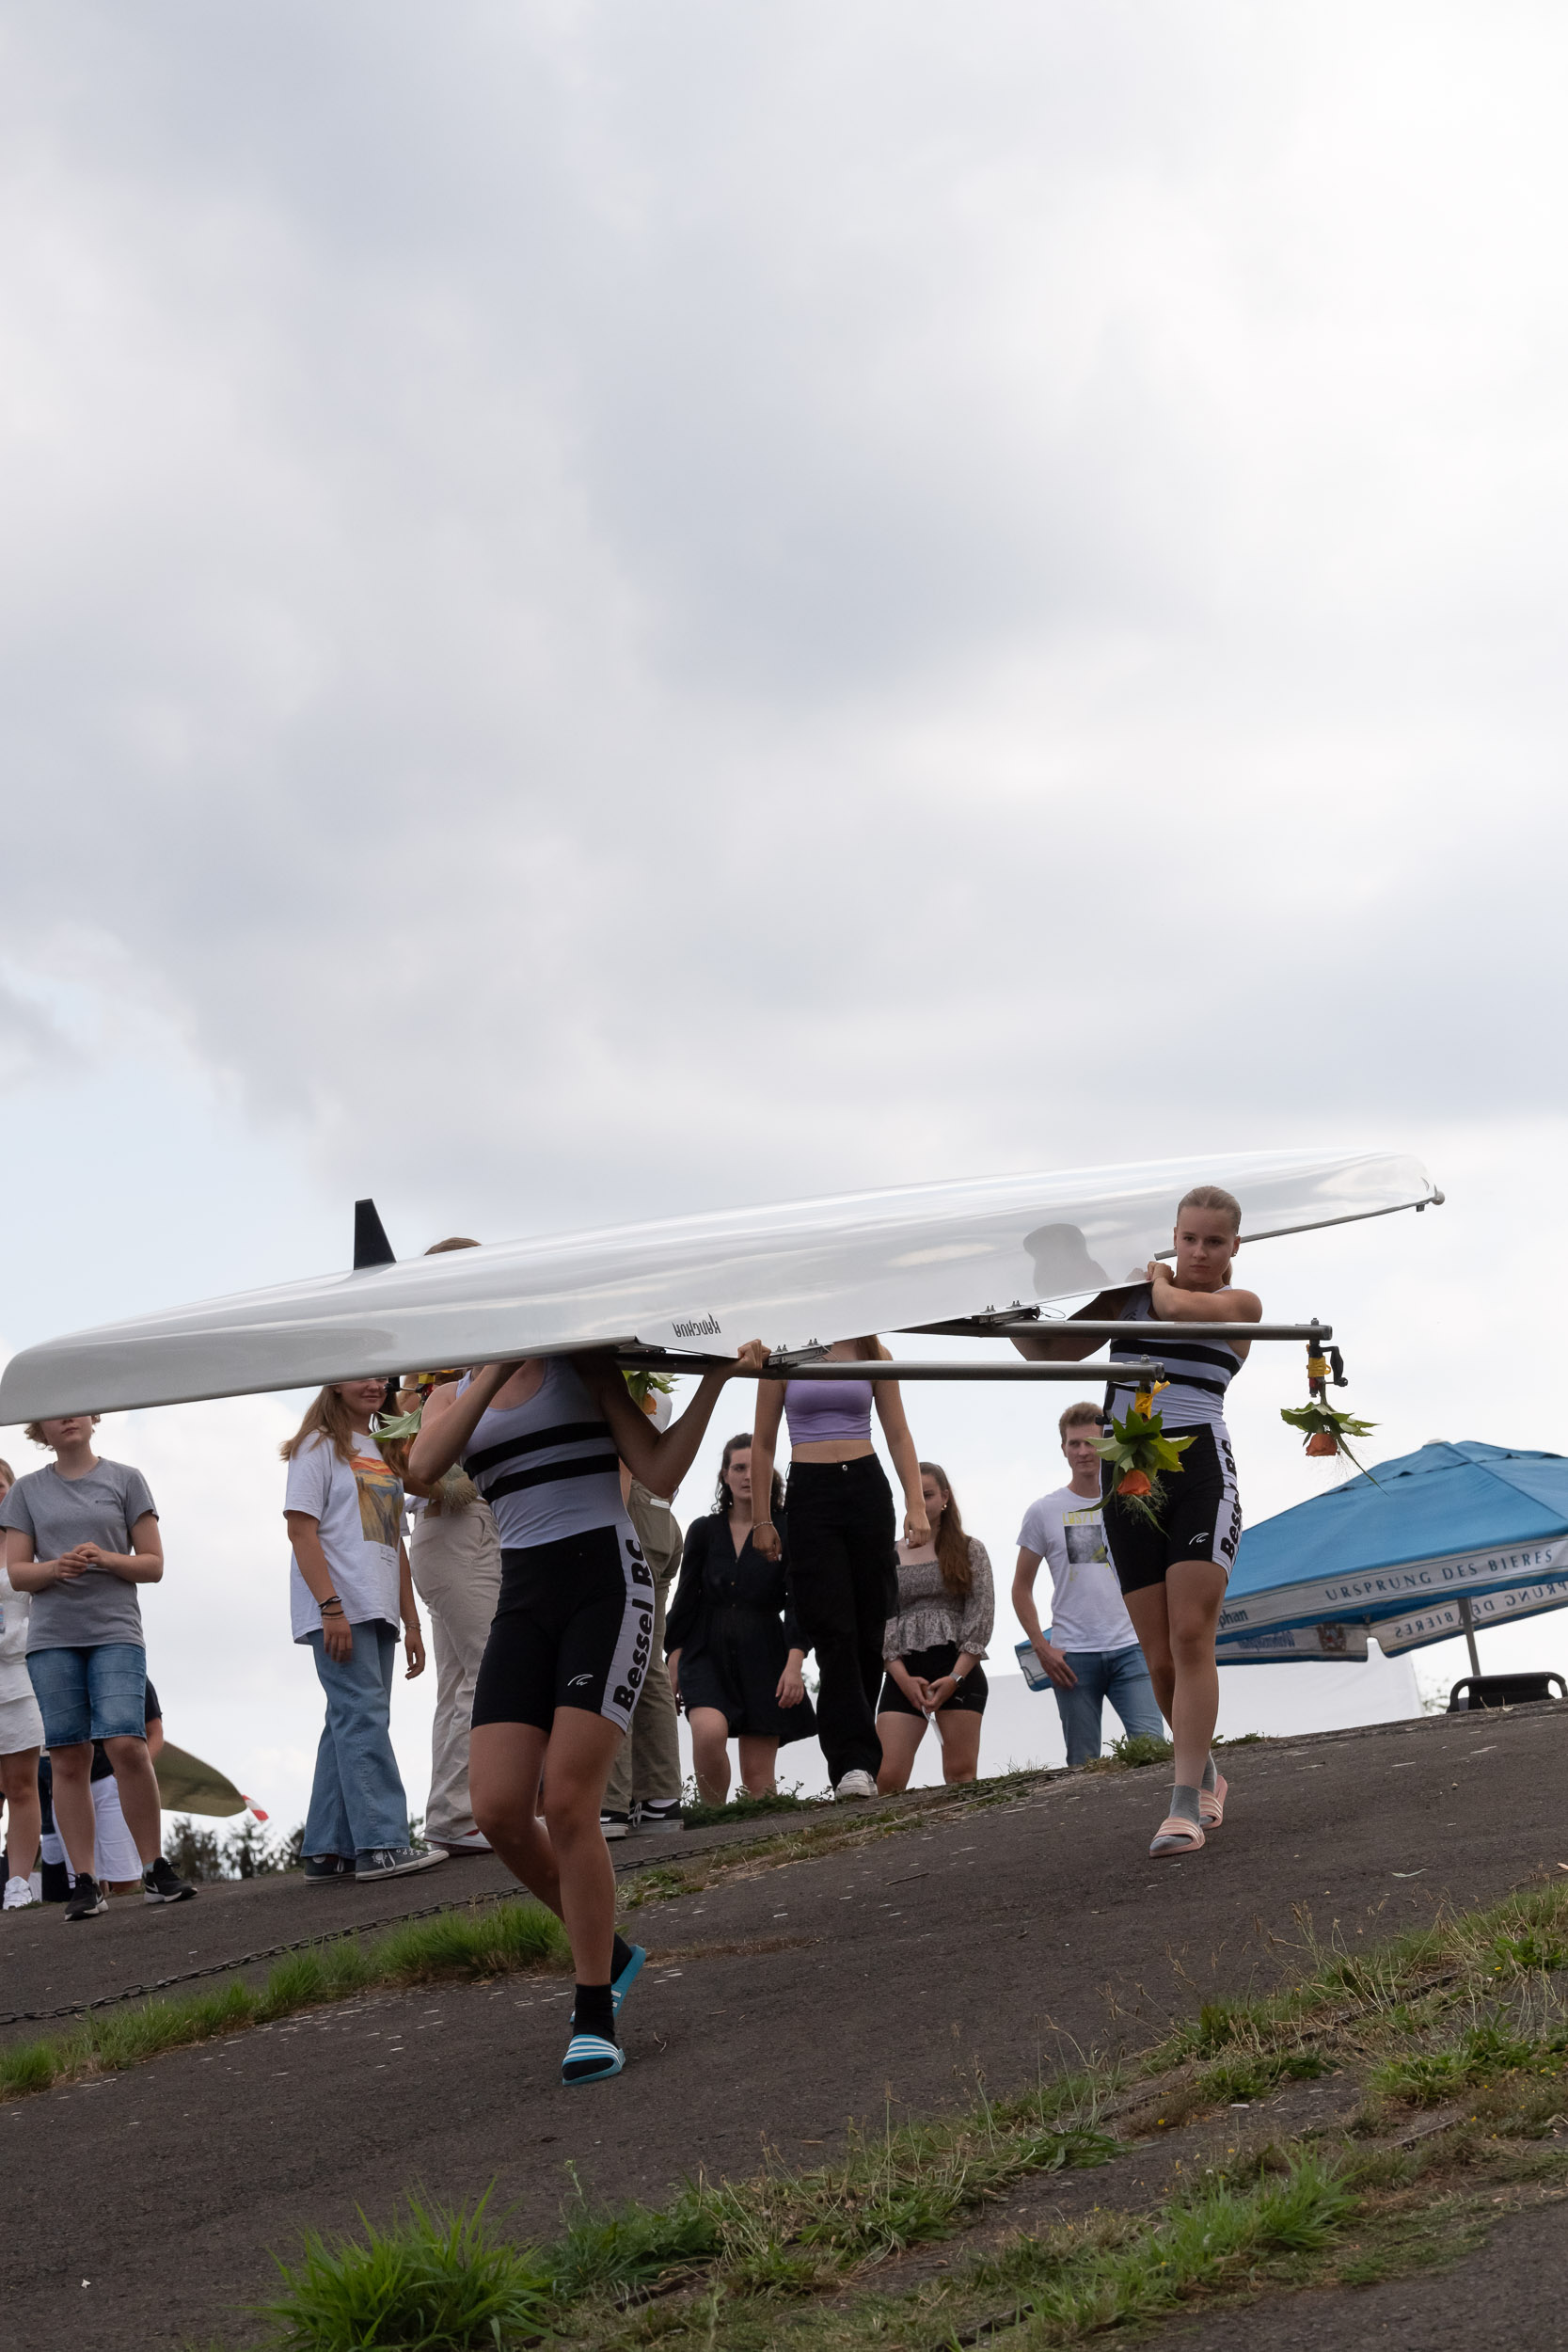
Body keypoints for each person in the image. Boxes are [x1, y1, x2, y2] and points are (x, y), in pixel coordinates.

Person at [407, 1337, 766, 2088]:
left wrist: (719, 1382)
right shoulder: (448, 1396)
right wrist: (495, 1366)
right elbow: (419, 1469)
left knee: (567, 1802)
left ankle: (593, 2006)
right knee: (498, 1809)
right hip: (524, 1597)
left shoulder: (583, 1368)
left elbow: (661, 1471)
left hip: (606, 1584)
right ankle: (613, 1949)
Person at [1012, 1184, 1259, 1856]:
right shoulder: (1129, 1298)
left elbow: (1178, 1306)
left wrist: (1149, 1276)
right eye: (1188, 1239)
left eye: (1213, 1241)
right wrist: (1007, 1295)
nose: (1199, 1251)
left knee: (1188, 1634)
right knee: (1156, 1656)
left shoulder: (1239, 1305)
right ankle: (1205, 1772)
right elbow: (1046, 1350)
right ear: (1173, 1235)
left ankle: (1182, 1804)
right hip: (1130, 1481)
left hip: (1199, 1472)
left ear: (1233, 1246)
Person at [1, 1414, 194, 1918]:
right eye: (55, 1412)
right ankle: (85, 1881)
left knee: (126, 1743)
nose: (68, 1416)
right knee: (67, 1757)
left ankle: (154, 1867)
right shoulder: (24, 1492)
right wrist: (54, 1568)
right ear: (39, 1430)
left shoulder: (126, 1478)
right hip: (51, 1640)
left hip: (115, 1632)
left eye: (79, 1407)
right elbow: (19, 1573)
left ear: (94, 1419)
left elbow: (153, 1564)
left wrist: (106, 1559)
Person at [750, 1339, 928, 1802]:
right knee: (833, 1629)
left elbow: (898, 1432)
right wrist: (763, 1518)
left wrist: (915, 1504)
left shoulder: (872, 1350)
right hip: (810, 1491)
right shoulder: (781, 1352)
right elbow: (763, 1440)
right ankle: (850, 1763)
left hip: (866, 1486)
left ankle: (862, 1760)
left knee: (871, 1630)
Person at [281, 1378, 443, 1887]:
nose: (375, 1384)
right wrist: (330, 1607)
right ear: (335, 1382)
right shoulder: (317, 1445)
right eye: (362, 1375)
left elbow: (391, 1537)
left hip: (376, 1607)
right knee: (362, 1717)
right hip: (339, 1605)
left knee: (349, 1721)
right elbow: (299, 1530)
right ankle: (381, 1844)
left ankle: (328, 1851)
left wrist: (411, 1619)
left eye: (382, 1377)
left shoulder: (382, 1446)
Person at [398, 1235, 502, 1859]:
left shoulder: (451, 1355)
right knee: (485, 1668)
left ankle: (449, 1814)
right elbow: (410, 1453)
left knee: (461, 1677)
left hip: (464, 1525)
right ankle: (463, 1812)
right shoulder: (429, 1368)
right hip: (453, 1522)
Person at [665, 1433, 814, 1806]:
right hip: (705, 1649)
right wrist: (673, 1659)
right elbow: (685, 1600)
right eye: (739, 1468)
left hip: (765, 1652)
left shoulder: (787, 1529)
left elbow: (800, 1602)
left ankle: (759, 1849)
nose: (748, 1475)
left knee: (759, 1780)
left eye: (756, 1467)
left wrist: (795, 1662)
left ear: (771, 1475)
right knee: (709, 1731)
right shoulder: (703, 1530)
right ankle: (711, 1816)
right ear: (725, 1476)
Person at [1013, 1403, 1165, 1767]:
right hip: (1072, 1655)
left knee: (1155, 1754)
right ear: (1063, 1449)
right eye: (1074, 1443)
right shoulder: (1043, 1511)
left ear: (1109, 1445)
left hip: (1133, 1646)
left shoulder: (1136, 1497)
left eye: (1091, 1443)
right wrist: (1042, 1647)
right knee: (1083, 1765)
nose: (1083, 1451)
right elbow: (1020, 1588)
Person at [876, 1463, 993, 1793]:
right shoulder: (889, 1556)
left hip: (957, 1670)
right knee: (887, 1778)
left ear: (944, 1497)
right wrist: (901, 1678)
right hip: (904, 1673)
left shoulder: (971, 1549)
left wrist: (955, 1678)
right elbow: (882, 1619)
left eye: (927, 1494)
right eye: (913, 1495)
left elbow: (981, 1616)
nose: (921, 1502)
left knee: (960, 1775)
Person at [601, 1385, 686, 1837]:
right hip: (660, 1514)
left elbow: (621, 1455)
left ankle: (609, 1803)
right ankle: (659, 1798)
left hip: (629, 1507)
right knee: (646, 1659)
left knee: (612, 1658)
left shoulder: (631, 1382)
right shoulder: (651, 1385)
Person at [0, 1456, 44, 1910]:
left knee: (21, 1785)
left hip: (19, 1675)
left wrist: (15, 1640)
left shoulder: (29, 1546)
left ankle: (17, 1881)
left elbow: (44, 1607)